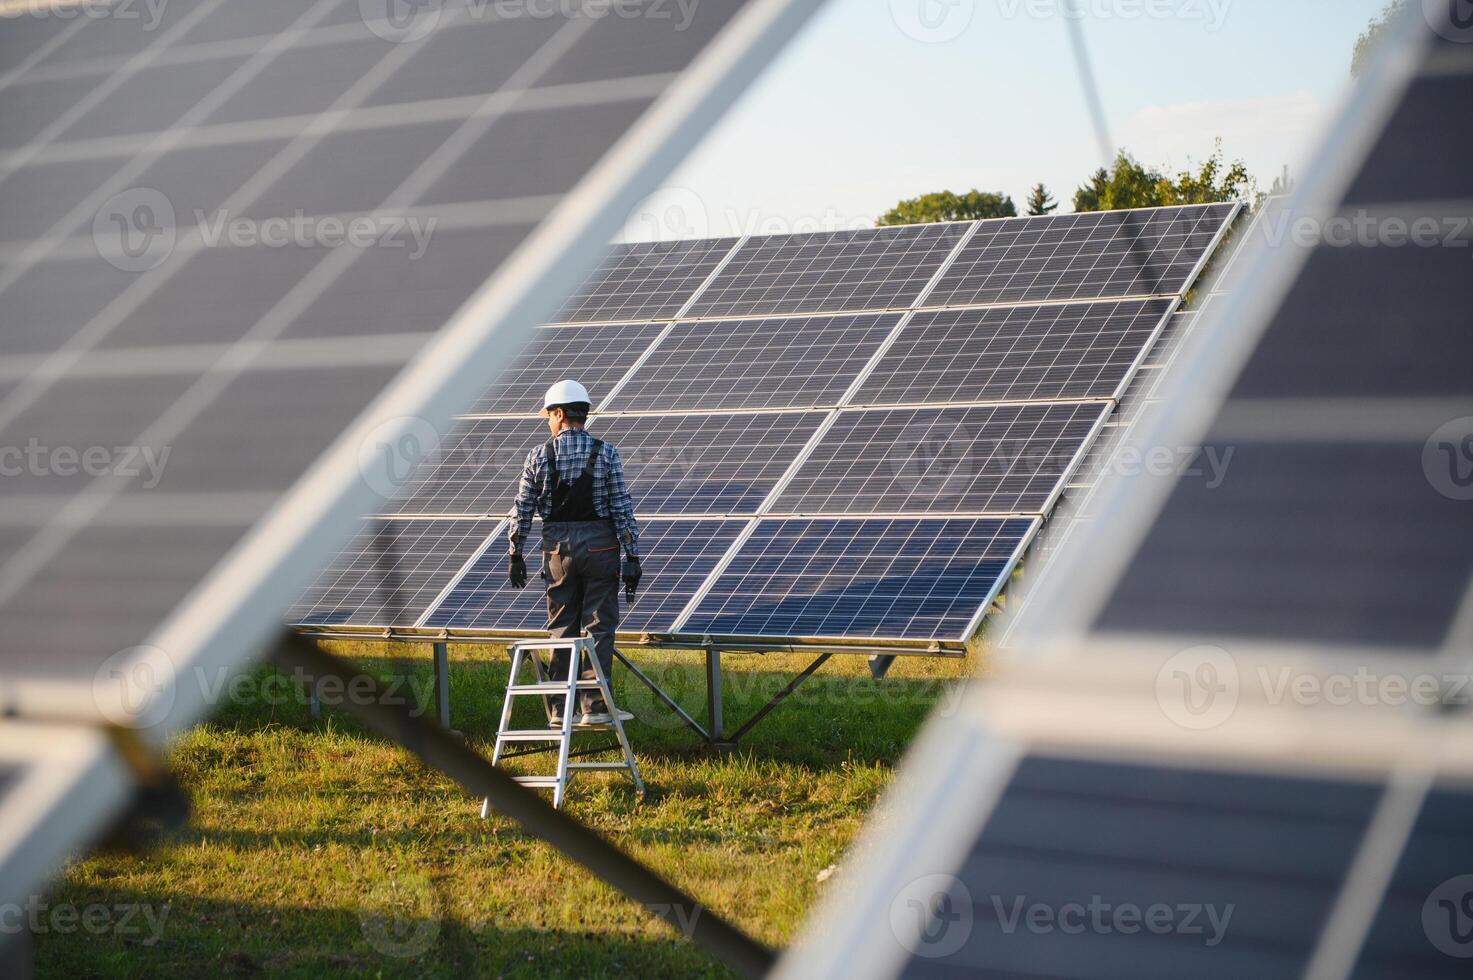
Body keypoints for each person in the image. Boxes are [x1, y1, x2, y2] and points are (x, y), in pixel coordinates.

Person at [507, 380, 641, 726]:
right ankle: (594, 707)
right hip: (601, 546)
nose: (548, 423)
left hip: (556, 549)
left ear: (560, 413)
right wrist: (632, 556)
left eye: (549, 416)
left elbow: (523, 508)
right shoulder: (607, 453)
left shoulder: (538, 455)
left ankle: (558, 709)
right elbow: (622, 507)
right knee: (599, 625)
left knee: (562, 627)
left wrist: (515, 552)